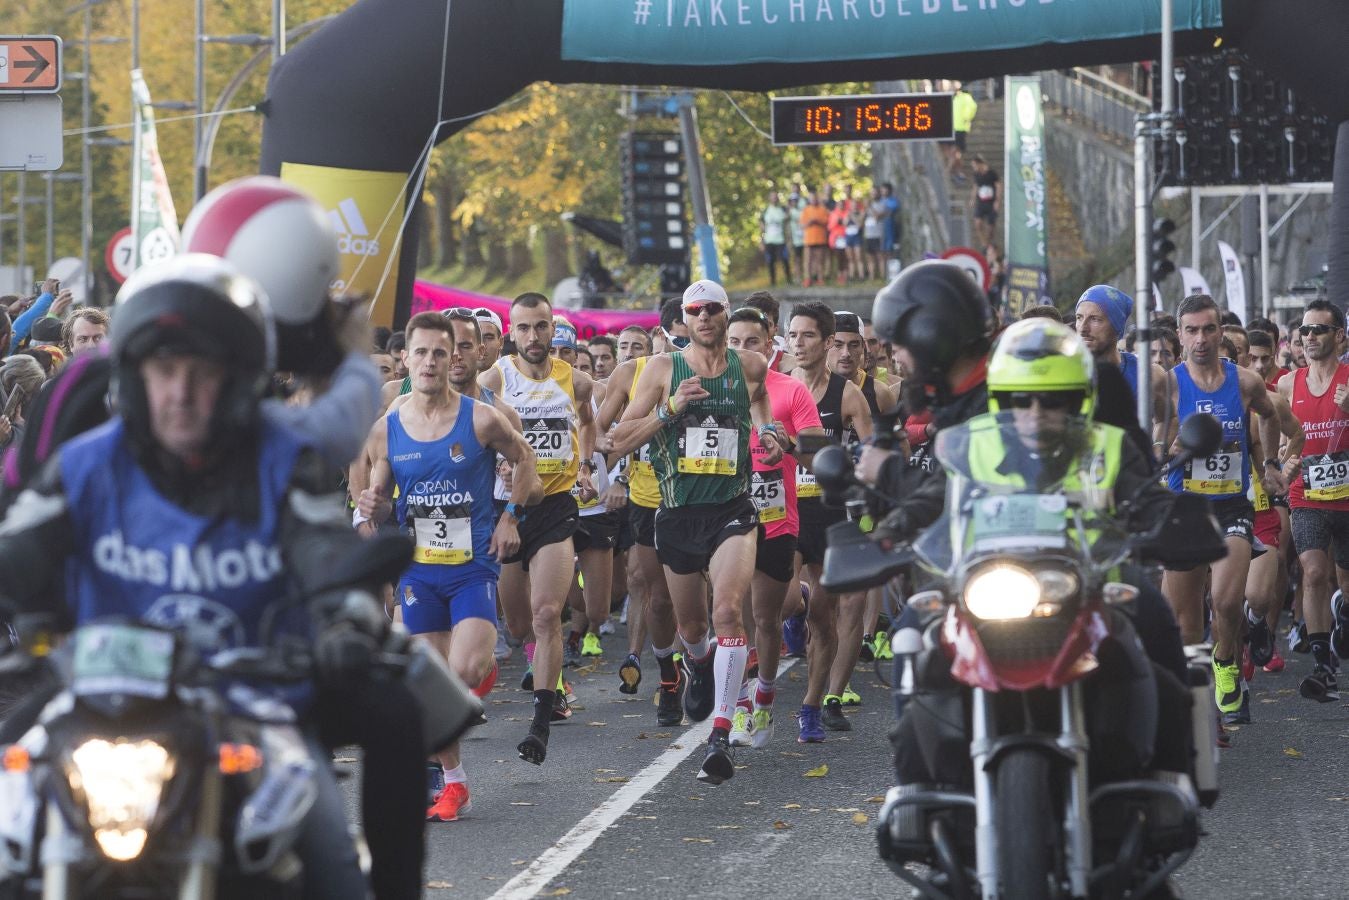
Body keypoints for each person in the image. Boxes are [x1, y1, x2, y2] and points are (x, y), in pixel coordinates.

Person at [0, 255, 427, 900]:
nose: (180, 392)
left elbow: (324, 550)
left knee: (335, 849)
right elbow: (18, 545)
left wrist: (344, 621)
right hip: (100, 701)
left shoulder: (282, 460)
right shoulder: (83, 466)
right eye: (164, 370)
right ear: (134, 377)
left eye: (201, 372)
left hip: (255, 704)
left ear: (237, 380)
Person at [358, 311, 540, 822]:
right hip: (418, 572)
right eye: (421, 352)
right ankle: (454, 782)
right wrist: (373, 508)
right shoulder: (386, 430)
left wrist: (511, 517)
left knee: (464, 671)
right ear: (405, 358)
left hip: (471, 568)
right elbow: (379, 500)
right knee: (428, 684)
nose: (432, 361)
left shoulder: (481, 419)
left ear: (454, 357)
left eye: (442, 352)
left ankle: (474, 686)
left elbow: (525, 459)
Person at [611, 279, 786, 783]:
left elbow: (761, 407)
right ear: (683, 320)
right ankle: (698, 660)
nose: (704, 317)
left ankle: (721, 734)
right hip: (677, 512)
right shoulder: (663, 369)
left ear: (727, 314)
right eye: (694, 310)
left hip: (733, 509)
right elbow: (619, 439)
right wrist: (670, 409)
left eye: (712, 309)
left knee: (728, 611)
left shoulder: (749, 366)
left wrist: (768, 434)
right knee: (691, 627)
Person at [1161, 293, 1299, 722]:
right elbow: (1149, 441)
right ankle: (1195, 697)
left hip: (1231, 507)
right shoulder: (1167, 384)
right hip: (1184, 508)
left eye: (1208, 329)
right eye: (1192, 331)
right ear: (1180, 335)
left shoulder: (1245, 382)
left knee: (1225, 601)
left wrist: (1270, 464)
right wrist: (1171, 449)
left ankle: (1226, 662)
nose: (1201, 339)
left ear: (1220, 332)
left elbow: (1270, 415)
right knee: (1185, 622)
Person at [478, 292, 597, 765]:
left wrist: (586, 465)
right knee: (518, 623)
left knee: (547, 614)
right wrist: (498, 464)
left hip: (555, 507)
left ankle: (541, 721)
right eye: (524, 327)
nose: (533, 336)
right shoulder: (494, 379)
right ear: (512, 332)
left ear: (553, 329)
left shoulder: (576, 380)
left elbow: (588, 423)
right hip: (504, 509)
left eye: (541, 326)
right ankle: (540, 668)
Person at [726, 306, 824, 748]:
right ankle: (740, 706)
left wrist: (788, 443)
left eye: (752, 342)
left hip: (776, 518)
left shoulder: (791, 390)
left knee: (767, 617)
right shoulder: (709, 390)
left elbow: (817, 457)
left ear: (770, 345)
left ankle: (763, 699)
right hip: (725, 518)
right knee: (730, 614)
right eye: (734, 342)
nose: (742, 350)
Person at [786, 301, 873, 738]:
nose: (798, 344)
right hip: (785, 509)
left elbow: (873, 458)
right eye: (792, 335)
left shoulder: (848, 395)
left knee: (824, 617)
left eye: (807, 336)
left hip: (831, 512)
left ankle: (812, 706)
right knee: (786, 602)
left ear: (825, 342)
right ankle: (797, 598)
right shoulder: (776, 387)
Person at [594, 329, 680, 717]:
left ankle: (687, 662)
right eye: (625, 346)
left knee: (693, 591)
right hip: (645, 498)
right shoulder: (629, 375)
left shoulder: (708, 372)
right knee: (647, 587)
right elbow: (603, 436)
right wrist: (598, 477)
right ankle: (649, 661)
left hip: (695, 499)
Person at [1276, 300, 1349, 701]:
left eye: (1318, 329)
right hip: (1306, 495)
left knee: (1345, 582)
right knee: (1314, 572)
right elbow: (1283, 440)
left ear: (1339, 335)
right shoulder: (1289, 384)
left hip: (1348, 499)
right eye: (1304, 331)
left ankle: (1343, 615)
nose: (1309, 337)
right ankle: (1323, 668)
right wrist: (1283, 462)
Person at [760, 189, 792, 286]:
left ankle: (789, 280)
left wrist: (789, 239)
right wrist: (762, 241)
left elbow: (788, 221)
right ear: (769, 198)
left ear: (778, 198)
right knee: (770, 262)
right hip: (769, 240)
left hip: (781, 240)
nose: (774, 198)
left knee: (785, 260)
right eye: (772, 197)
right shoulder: (765, 210)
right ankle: (773, 282)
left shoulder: (782, 209)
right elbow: (761, 227)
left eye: (775, 197)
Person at [970, 155, 1001, 249]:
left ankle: (988, 243)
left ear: (980, 164)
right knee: (978, 223)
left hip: (991, 202)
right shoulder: (976, 175)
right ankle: (984, 243)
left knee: (990, 227)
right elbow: (975, 187)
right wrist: (972, 199)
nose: (974, 168)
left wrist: (997, 201)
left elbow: (998, 186)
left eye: (975, 166)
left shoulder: (992, 173)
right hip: (981, 202)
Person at [800, 190, 829, 288]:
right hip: (809, 240)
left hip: (820, 239)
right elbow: (802, 225)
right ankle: (808, 279)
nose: (813, 200)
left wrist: (817, 221)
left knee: (820, 260)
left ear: (817, 199)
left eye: (815, 198)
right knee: (808, 261)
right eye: (811, 198)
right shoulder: (806, 210)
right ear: (809, 199)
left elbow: (826, 222)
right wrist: (810, 222)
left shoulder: (823, 209)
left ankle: (820, 279)